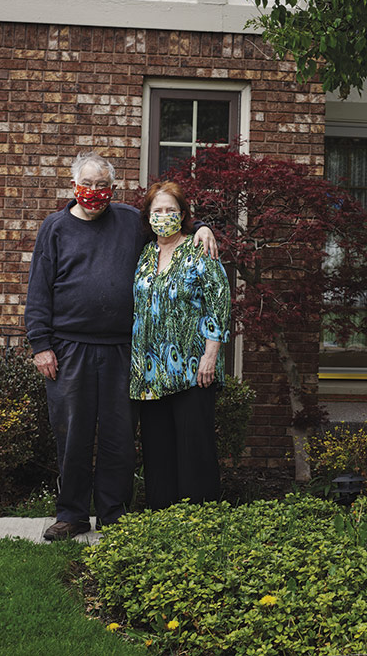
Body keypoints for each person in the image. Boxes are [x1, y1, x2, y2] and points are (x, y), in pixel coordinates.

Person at [25, 152, 217, 541]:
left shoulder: (130, 220)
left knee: (118, 436)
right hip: (68, 349)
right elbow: (38, 288)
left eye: (102, 185)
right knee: (73, 433)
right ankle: (73, 513)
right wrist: (40, 343)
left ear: (112, 189)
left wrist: (201, 226)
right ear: (74, 185)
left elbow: (168, 223)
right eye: (87, 184)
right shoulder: (55, 227)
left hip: (122, 348)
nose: (94, 192)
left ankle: (113, 513)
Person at [130, 181, 230, 509]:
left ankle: (199, 522)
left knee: (194, 449)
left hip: (191, 368)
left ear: (183, 214)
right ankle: (162, 521)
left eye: (170, 210)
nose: (163, 216)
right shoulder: (144, 253)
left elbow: (219, 300)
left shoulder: (198, 248)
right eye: (157, 211)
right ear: (148, 216)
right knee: (158, 452)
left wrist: (210, 356)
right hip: (151, 371)